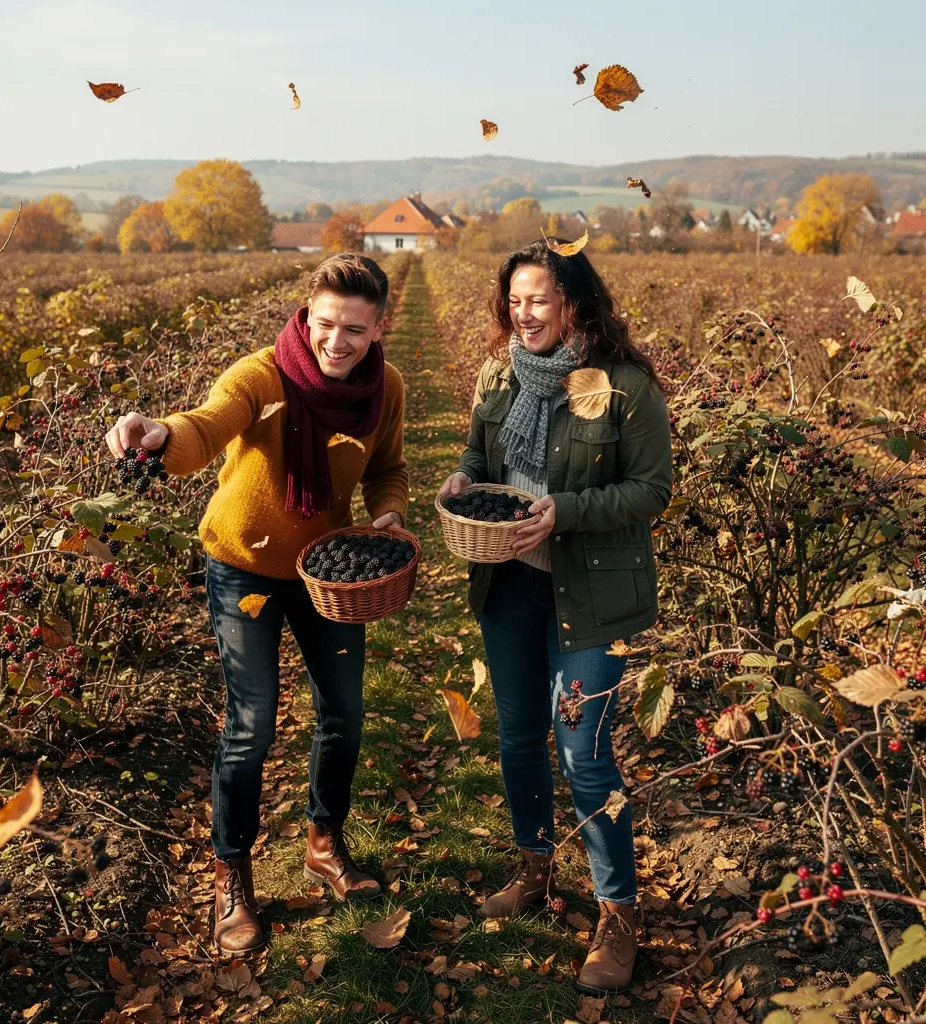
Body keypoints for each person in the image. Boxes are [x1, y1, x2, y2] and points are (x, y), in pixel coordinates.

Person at [104, 253, 409, 956]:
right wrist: (160, 435)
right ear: (307, 315)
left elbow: (388, 468)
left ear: (379, 326)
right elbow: (206, 426)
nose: (338, 342)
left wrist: (388, 513)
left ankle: (324, 842)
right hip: (242, 568)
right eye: (327, 324)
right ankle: (231, 875)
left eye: (355, 331)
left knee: (346, 714)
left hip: (324, 570)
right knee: (252, 724)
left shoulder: (384, 387)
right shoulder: (260, 375)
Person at [438, 239, 672, 993]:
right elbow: (480, 460)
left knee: (584, 751)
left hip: (590, 595)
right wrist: (462, 478)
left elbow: (652, 490)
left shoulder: (625, 387)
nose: (523, 312)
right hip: (509, 584)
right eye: (514, 300)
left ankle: (618, 914)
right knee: (517, 735)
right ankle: (535, 866)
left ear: (573, 302)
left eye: (537, 299)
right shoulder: (498, 374)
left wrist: (563, 511)